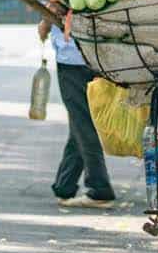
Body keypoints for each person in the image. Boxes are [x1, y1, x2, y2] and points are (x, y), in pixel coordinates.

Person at [38, 16, 115, 208]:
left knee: (83, 122)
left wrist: (45, 23)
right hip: (101, 55)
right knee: (80, 121)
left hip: (73, 58)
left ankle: (99, 188)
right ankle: (65, 185)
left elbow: (54, 6)